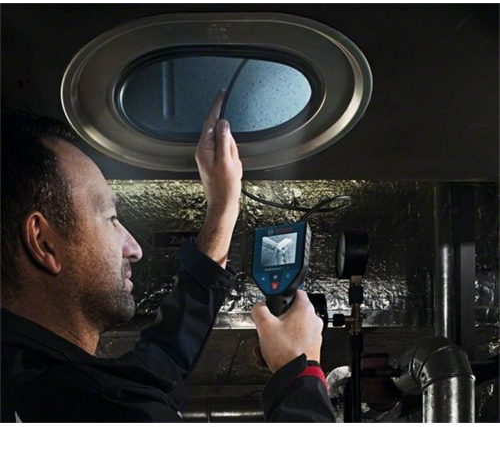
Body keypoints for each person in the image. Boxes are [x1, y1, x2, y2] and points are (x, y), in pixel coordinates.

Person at [0, 91, 334, 422]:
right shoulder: (101, 410)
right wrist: (300, 371)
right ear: (43, 242)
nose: (134, 249)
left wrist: (223, 206)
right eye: (111, 218)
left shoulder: (36, 379)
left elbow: (156, 367)